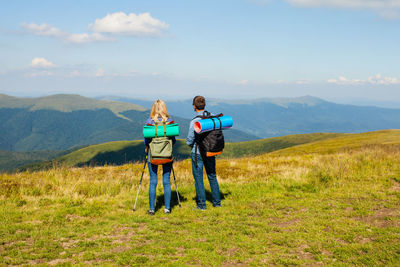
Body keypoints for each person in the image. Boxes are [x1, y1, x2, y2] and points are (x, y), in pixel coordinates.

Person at [186, 96, 222, 210]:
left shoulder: (195, 121)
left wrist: (191, 145)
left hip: (197, 153)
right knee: (212, 176)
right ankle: (217, 203)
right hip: (210, 151)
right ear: (204, 105)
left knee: (198, 178)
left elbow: (189, 140)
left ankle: (201, 205)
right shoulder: (212, 118)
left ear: (194, 106)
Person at [144, 100, 176, 215]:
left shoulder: (149, 122)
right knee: (166, 181)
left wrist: (147, 147)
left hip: (153, 155)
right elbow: (173, 140)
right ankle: (167, 208)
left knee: (153, 181)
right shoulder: (170, 122)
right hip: (167, 154)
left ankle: (152, 209)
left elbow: (146, 140)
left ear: (153, 108)